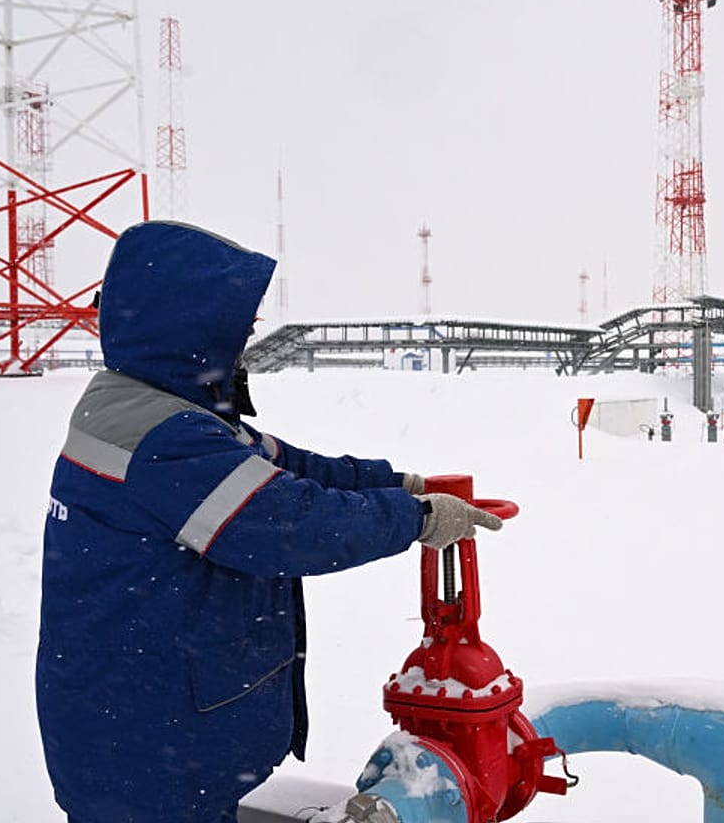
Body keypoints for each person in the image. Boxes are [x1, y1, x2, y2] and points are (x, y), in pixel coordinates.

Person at [35, 220, 503, 823]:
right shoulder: (165, 440)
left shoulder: (155, 411)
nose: (247, 340)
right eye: (237, 328)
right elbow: (287, 523)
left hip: (139, 724)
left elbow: (286, 466)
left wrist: (396, 484)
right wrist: (416, 518)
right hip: (147, 740)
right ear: (191, 329)